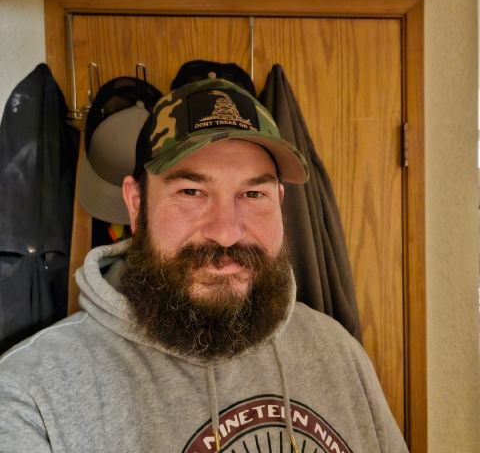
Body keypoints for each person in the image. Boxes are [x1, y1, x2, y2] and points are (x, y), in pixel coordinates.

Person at [0, 78, 408, 452]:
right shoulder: (30, 394)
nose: (226, 233)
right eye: (191, 192)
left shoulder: (337, 352)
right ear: (136, 205)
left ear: (280, 202)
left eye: (254, 195)